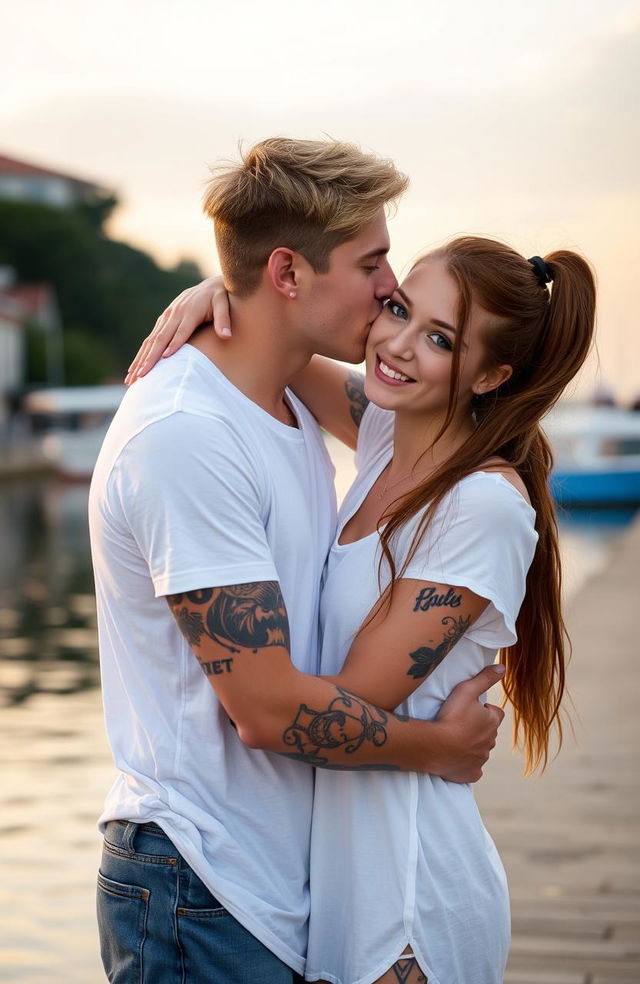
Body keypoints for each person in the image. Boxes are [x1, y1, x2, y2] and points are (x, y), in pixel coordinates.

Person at [89, 138, 505, 984]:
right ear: (288, 272)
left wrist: (219, 293)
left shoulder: (282, 399)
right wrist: (437, 745)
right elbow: (269, 710)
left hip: (276, 882)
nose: (390, 286)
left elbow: (446, 432)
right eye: (372, 261)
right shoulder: (187, 437)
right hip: (198, 880)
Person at [134, 235, 596, 983]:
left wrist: (442, 748)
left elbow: (346, 705)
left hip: (409, 901)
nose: (399, 346)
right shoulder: (386, 435)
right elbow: (271, 340)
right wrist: (211, 291)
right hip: (338, 896)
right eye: (401, 310)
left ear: (493, 376)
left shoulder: (479, 506)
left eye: (440, 339)